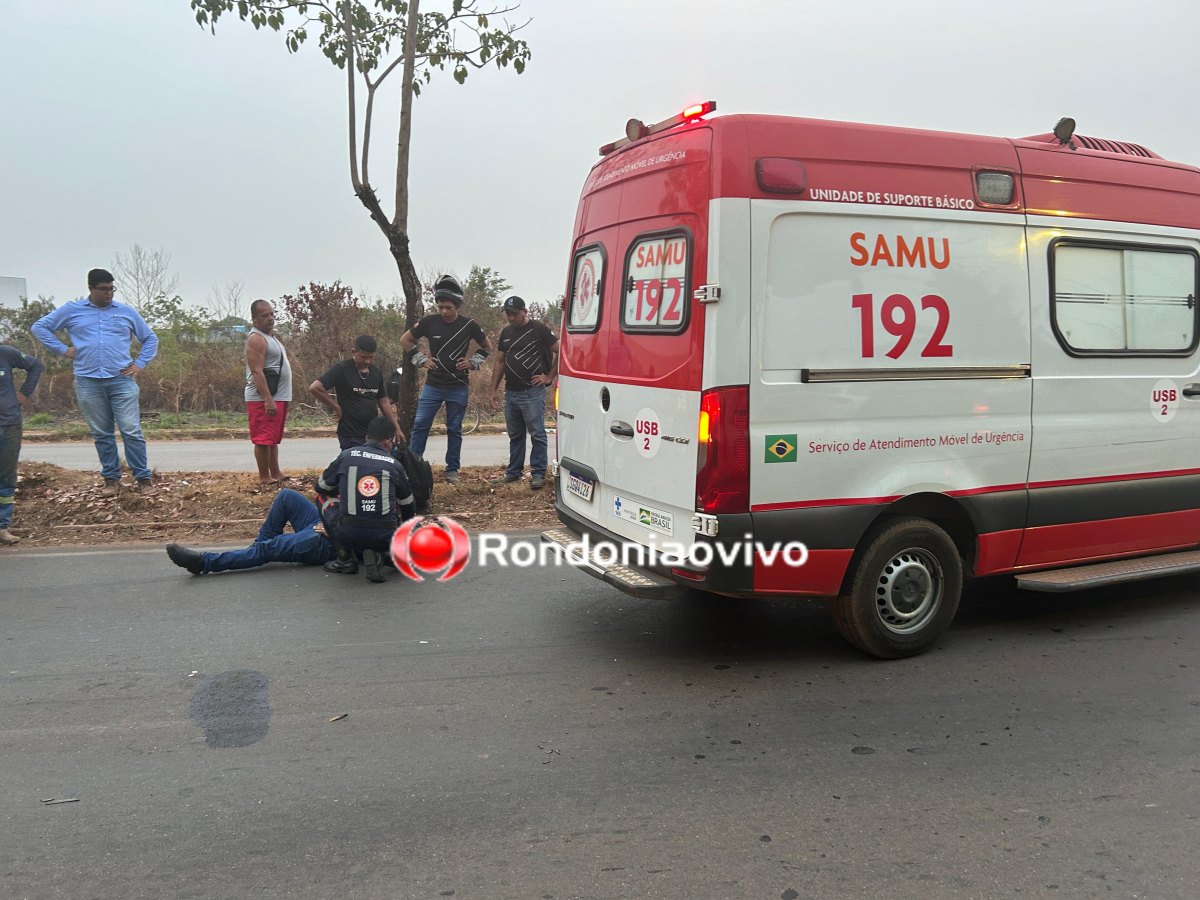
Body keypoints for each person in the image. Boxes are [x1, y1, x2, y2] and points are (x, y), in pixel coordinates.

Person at [31, 268, 158, 495]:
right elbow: (40, 327)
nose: (109, 293)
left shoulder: (126, 312)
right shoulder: (72, 310)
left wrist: (140, 363)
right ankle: (111, 480)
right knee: (102, 433)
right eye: (104, 289)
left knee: (131, 431)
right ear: (91, 289)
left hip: (122, 379)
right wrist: (62, 350)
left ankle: (143, 479)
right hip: (88, 381)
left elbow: (150, 338)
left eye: (112, 289)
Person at [398, 275, 489, 484]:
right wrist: (420, 359)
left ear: (456, 305)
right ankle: (414, 466)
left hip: (458, 385)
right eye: (440, 307)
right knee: (421, 423)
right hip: (433, 385)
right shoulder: (429, 321)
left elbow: (487, 347)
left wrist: (473, 362)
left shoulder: (469, 325)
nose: (444, 311)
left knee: (454, 428)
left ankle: (452, 470)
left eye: (448, 307)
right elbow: (406, 339)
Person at [316, 414, 416, 582]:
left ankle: (344, 559)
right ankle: (386, 553)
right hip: (385, 536)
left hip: (349, 534)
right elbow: (408, 506)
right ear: (387, 441)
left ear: (366, 437)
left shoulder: (346, 456)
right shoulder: (394, 465)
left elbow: (322, 487)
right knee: (397, 504)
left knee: (322, 497)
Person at [164, 488, 336, 575]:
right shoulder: (355, 460)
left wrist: (337, 530)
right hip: (327, 520)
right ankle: (254, 552)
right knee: (287, 496)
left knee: (267, 549)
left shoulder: (362, 477)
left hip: (331, 539)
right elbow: (324, 485)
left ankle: (204, 563)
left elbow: (362, 532)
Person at [489, 295, 558, 490]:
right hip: (511, 392)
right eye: (508, 314)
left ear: (525, 312)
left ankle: (538, 473)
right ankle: (513, 472)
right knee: (515, 435)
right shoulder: (506, 333)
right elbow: (500, 361)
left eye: (515, 314)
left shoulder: (539, 330)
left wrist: (549, 376)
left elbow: (561, 349)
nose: (511, 318)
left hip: (532, 392)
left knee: (537, 434)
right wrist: (493, 389)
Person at [309, 334, 403, 450]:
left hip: (372, 433)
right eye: (363, 357)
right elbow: (315, 387)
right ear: (354, 352)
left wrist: (396, 428)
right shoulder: (342, 369)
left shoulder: (376, 373)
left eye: (371, 357)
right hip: (350, 432)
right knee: (354, 463)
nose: (367, 361)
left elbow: (383, 402)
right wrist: (335, 406)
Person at [244, 299, 292, 486]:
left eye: (272, 314)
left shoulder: (271, 338)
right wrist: (267, 399)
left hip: (278, 395)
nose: (270, 318)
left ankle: (276, 473)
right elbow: (256, 370)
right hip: (263, 398)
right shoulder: (256, 338)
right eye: (264, 316)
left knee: (272, 438)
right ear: (254, 319)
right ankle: (264, 477)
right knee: (263, 439)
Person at [0, 343, 44, 544]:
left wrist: (25, 392)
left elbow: (36, 365)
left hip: (9, 424)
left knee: (6, 478)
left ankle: (2, 527)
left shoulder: (5, 353)